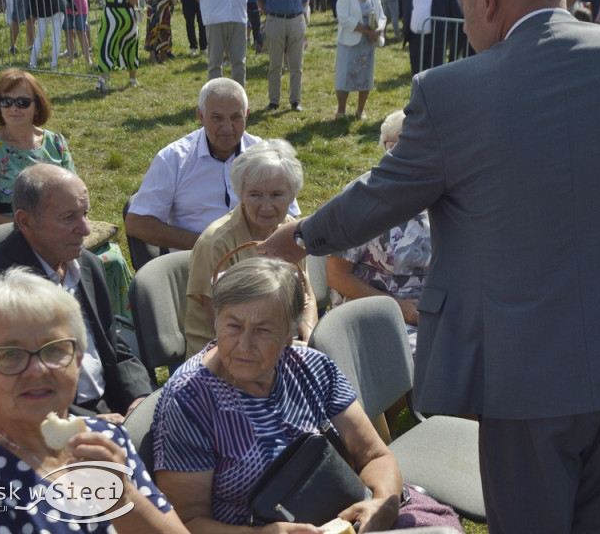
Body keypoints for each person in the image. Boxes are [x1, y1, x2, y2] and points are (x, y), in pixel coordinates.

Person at [257, 0, 600, 534]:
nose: (467, 29)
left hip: (526, 367)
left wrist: (300, 236)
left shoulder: (451, 91)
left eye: (465, 11)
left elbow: (381, 195)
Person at [153, 256, 462, 532]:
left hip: (341, 516)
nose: (244, 345)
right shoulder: (189, 401)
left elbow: (374, 454)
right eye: (233, 326)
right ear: (216, 321)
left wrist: (383, 503)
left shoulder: (311, 367)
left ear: (290, 333)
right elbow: (187, 522)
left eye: (263, 330)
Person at [0, 267, 185, 533]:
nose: (37, 369)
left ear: (79, 360)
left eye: (54, 349)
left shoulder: (106, 440)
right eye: (11, 354)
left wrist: (122, 498)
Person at [0, 165, 153, 420]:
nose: (86, 229)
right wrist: (81, 423)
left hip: (111, 410)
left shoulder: (87, 264)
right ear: (25, 221)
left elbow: (113, 345)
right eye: (69, 217)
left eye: (85, 214)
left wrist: (140, 397)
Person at [125, 79, 299, 252]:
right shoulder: (174, 159)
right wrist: (209, 244)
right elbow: (137, 223)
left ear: (246, 115)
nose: (227, 127)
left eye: (235, 117)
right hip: (195, 264)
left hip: (259, 263)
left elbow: (291, 217)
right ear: (201, 116)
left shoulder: (267, 156)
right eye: (217, 118)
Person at [184, 139, 315, 357]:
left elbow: (306, 297)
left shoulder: (291, 233)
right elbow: (223, 325)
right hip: (223, 356)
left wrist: (310, 339)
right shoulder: (216, 242)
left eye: (276, 195)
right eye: (255, 194)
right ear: (240, 194)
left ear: (292, 196)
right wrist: (289, 348)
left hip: (280, 347)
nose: (266, 206)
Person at [327, 110, 429, 354]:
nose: (407, 153)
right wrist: (397, 307)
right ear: (385, 147)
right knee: (429, 356)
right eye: (397, 144)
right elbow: (336, 276)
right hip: (373, 311)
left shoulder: (443, 196)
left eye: (418, 143)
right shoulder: (362, 197)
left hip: (431, 310)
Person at [0, 69, 73, 230]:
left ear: (38, 106)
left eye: (22, 102)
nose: (13, 108)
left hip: (60, 229)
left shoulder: (55, 142)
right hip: (12, 235)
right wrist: (33, 228)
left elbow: (75, 196)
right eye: (6, 101)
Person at [257, 0, 309, 111]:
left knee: (296, 65)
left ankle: (295, 101)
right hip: (275, 21)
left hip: (296, 20)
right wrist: (272, 17)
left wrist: (295, 15)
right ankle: (274, 101)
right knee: (275, 64)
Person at [334, 0, 385, 120]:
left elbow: (382, 16)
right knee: (344, 76)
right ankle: (341, 110)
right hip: (350, 41)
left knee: (366, 76)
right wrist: (365, 30)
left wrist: (378, 30)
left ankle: (360, 110)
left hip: (368, 43)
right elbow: (343, 18)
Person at [401, 0, 462, 76]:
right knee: (417, 72)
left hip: (437, 39)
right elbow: (407, 10)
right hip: (415, 38)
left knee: (435, 74)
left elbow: (457, 15)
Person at [94, 0, 140, 92]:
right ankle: (132, 78)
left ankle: (102, 78)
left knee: (107, 44)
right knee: (130, 44)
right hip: (125, 14)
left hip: (109, 14)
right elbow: (133, 0)